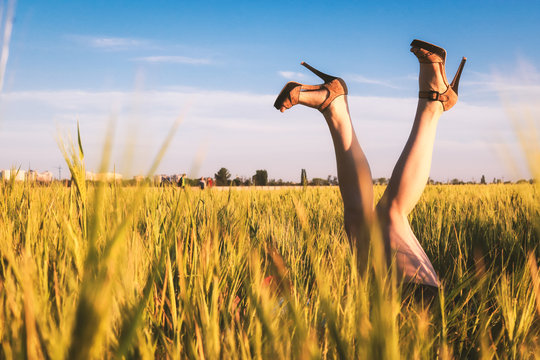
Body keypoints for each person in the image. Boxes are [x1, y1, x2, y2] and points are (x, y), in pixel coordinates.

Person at [274, 39, 466, 300]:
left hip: (373, 317)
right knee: (389, 216)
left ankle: (335, 107)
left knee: (358, 222)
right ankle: (434, 103)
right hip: (414, 311)